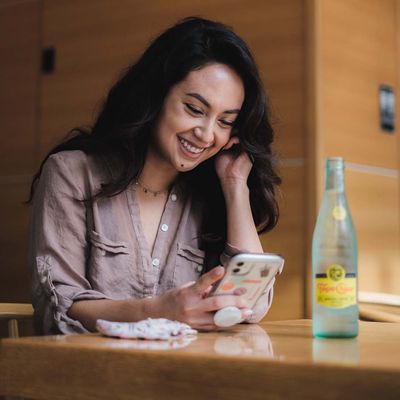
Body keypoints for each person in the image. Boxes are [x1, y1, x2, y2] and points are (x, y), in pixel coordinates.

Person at [27, 16, 281, 335]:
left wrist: (235, 185)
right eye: (194, 109)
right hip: (89, 379)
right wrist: (159, 311)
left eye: (225, 121)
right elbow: (59, 306)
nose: (206, 134)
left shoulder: (209, 195)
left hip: (182, 378)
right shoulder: (72, 174)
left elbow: (251, 306)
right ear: (156, 96)